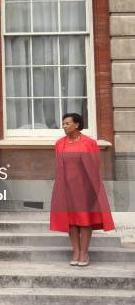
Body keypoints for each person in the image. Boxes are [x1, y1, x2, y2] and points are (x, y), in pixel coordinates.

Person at [50, 113, 115, 267]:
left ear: (77, 125)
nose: (64, 126)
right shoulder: (59, 143)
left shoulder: (89, 143)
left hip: (85, 188)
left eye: (67, 123)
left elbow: (94, 166)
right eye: (63, 123)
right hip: (67, 187)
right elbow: (59, 168)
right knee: (71, 221)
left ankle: (84, 252)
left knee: (85, 219)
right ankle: (76, 251)